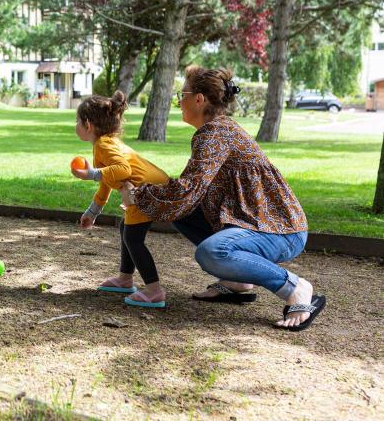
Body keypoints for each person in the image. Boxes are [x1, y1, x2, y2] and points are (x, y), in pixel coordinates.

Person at [120, 66, 325, 330]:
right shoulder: (216, 130)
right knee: (180, 211)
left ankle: (295, 287)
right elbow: (187, 196)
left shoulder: (214, 134)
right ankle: (237, 282)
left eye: (182, 94)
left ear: (199, 99)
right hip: (257, 224)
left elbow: (186, 190)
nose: (179, 101)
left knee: (212, 252)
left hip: (280, 231)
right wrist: (150, 195)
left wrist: (138, 194)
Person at [73, 91, 170, 308]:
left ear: (88, 125)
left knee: (133, 238)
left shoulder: (104, 145)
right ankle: (125, 279)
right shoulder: (106, 143)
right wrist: (93, 212)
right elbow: (110, 179)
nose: (76, 124)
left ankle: (154, 291)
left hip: (146, 192)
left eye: (77, 121)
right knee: (127, 229)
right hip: (147, 189)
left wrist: (91, 173)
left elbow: (122, 170)